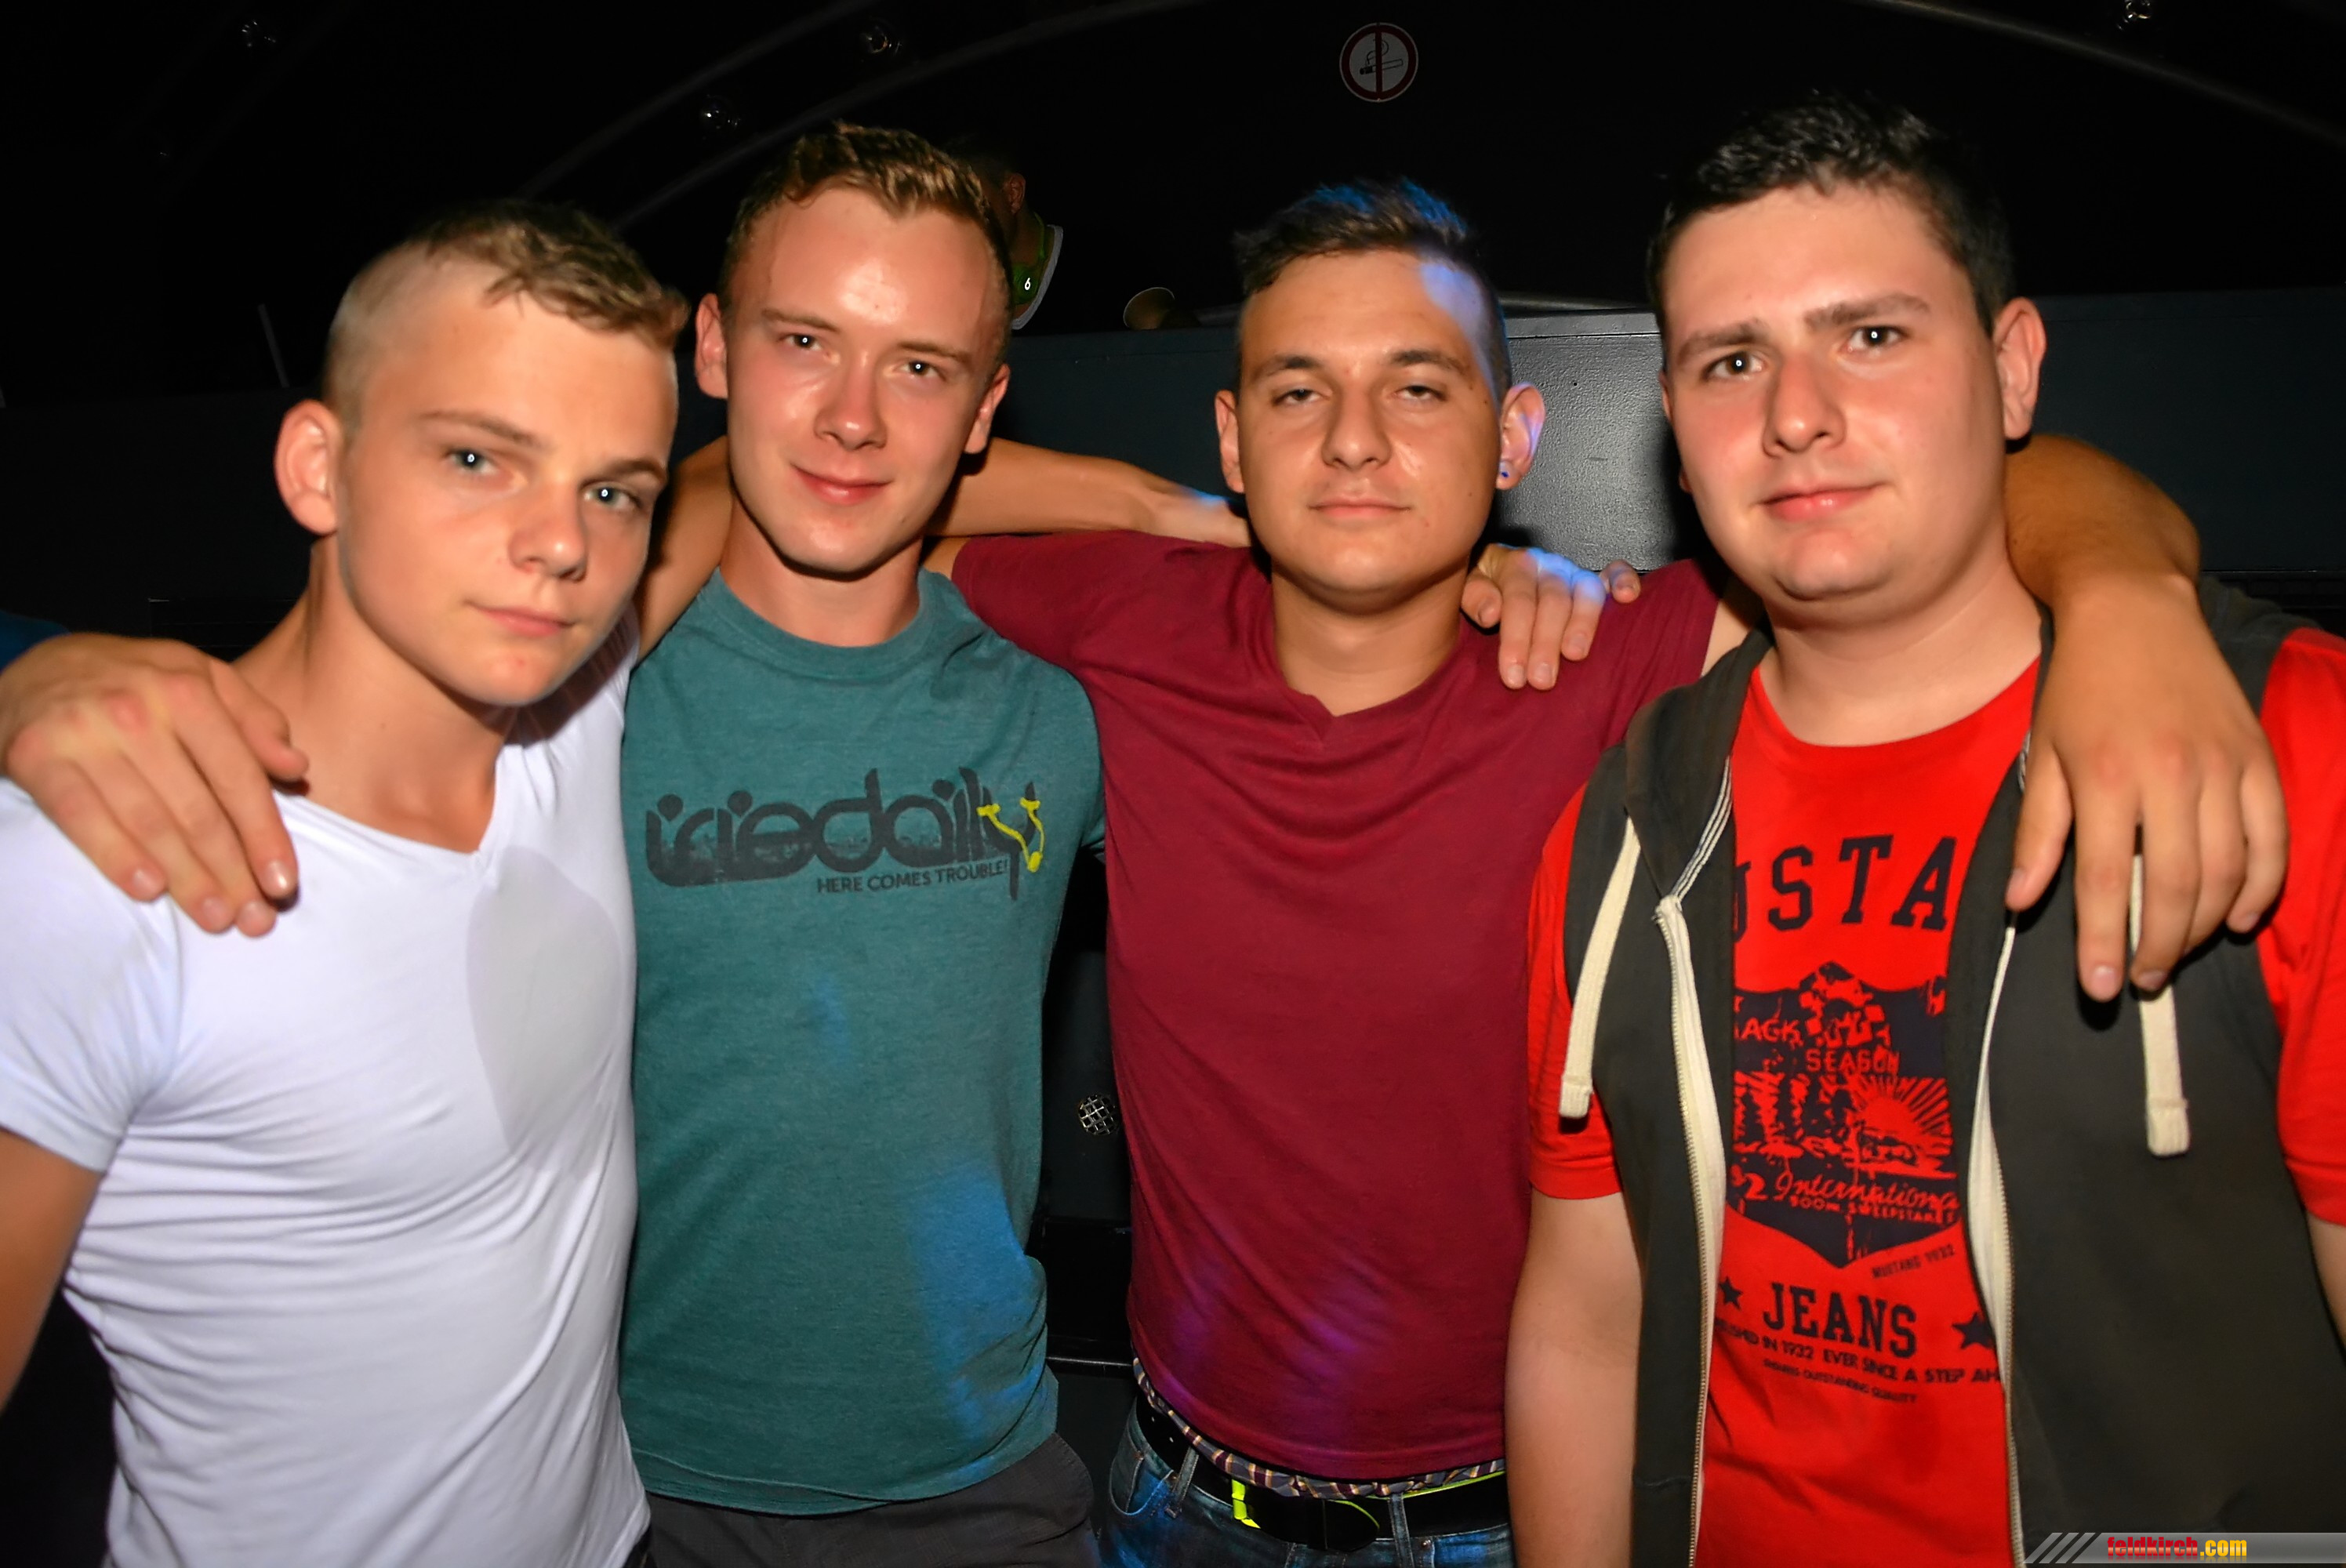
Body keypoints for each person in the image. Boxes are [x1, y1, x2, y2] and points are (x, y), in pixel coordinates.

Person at [0, 154, 2287, 1566]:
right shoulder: (1079, 636)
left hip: (1516, 1507)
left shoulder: (1618, 656)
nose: (1355, 442)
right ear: (1229, 429)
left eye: (1415, 392)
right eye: (1294, 394)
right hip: (1146, 1498)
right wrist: (49, 670)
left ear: (1514, 438)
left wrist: (2127, 593)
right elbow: (826, 490)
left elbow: (1935, 515)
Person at [1509, 96, 2346, 1568]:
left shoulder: (2290, 748)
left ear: (2014, 368)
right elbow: (1587, 1320)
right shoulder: (1625, 827)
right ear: (1675, 430)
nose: (1796, 414)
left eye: (1873, 335)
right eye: (1731, 361)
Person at [0, 202, 683, 1568]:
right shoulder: (95, 871)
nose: (562, 543)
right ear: (319, 468)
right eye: (480, 457)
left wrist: (1142, 505)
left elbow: (776, 481)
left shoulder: (576, 709)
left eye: (613, 490)